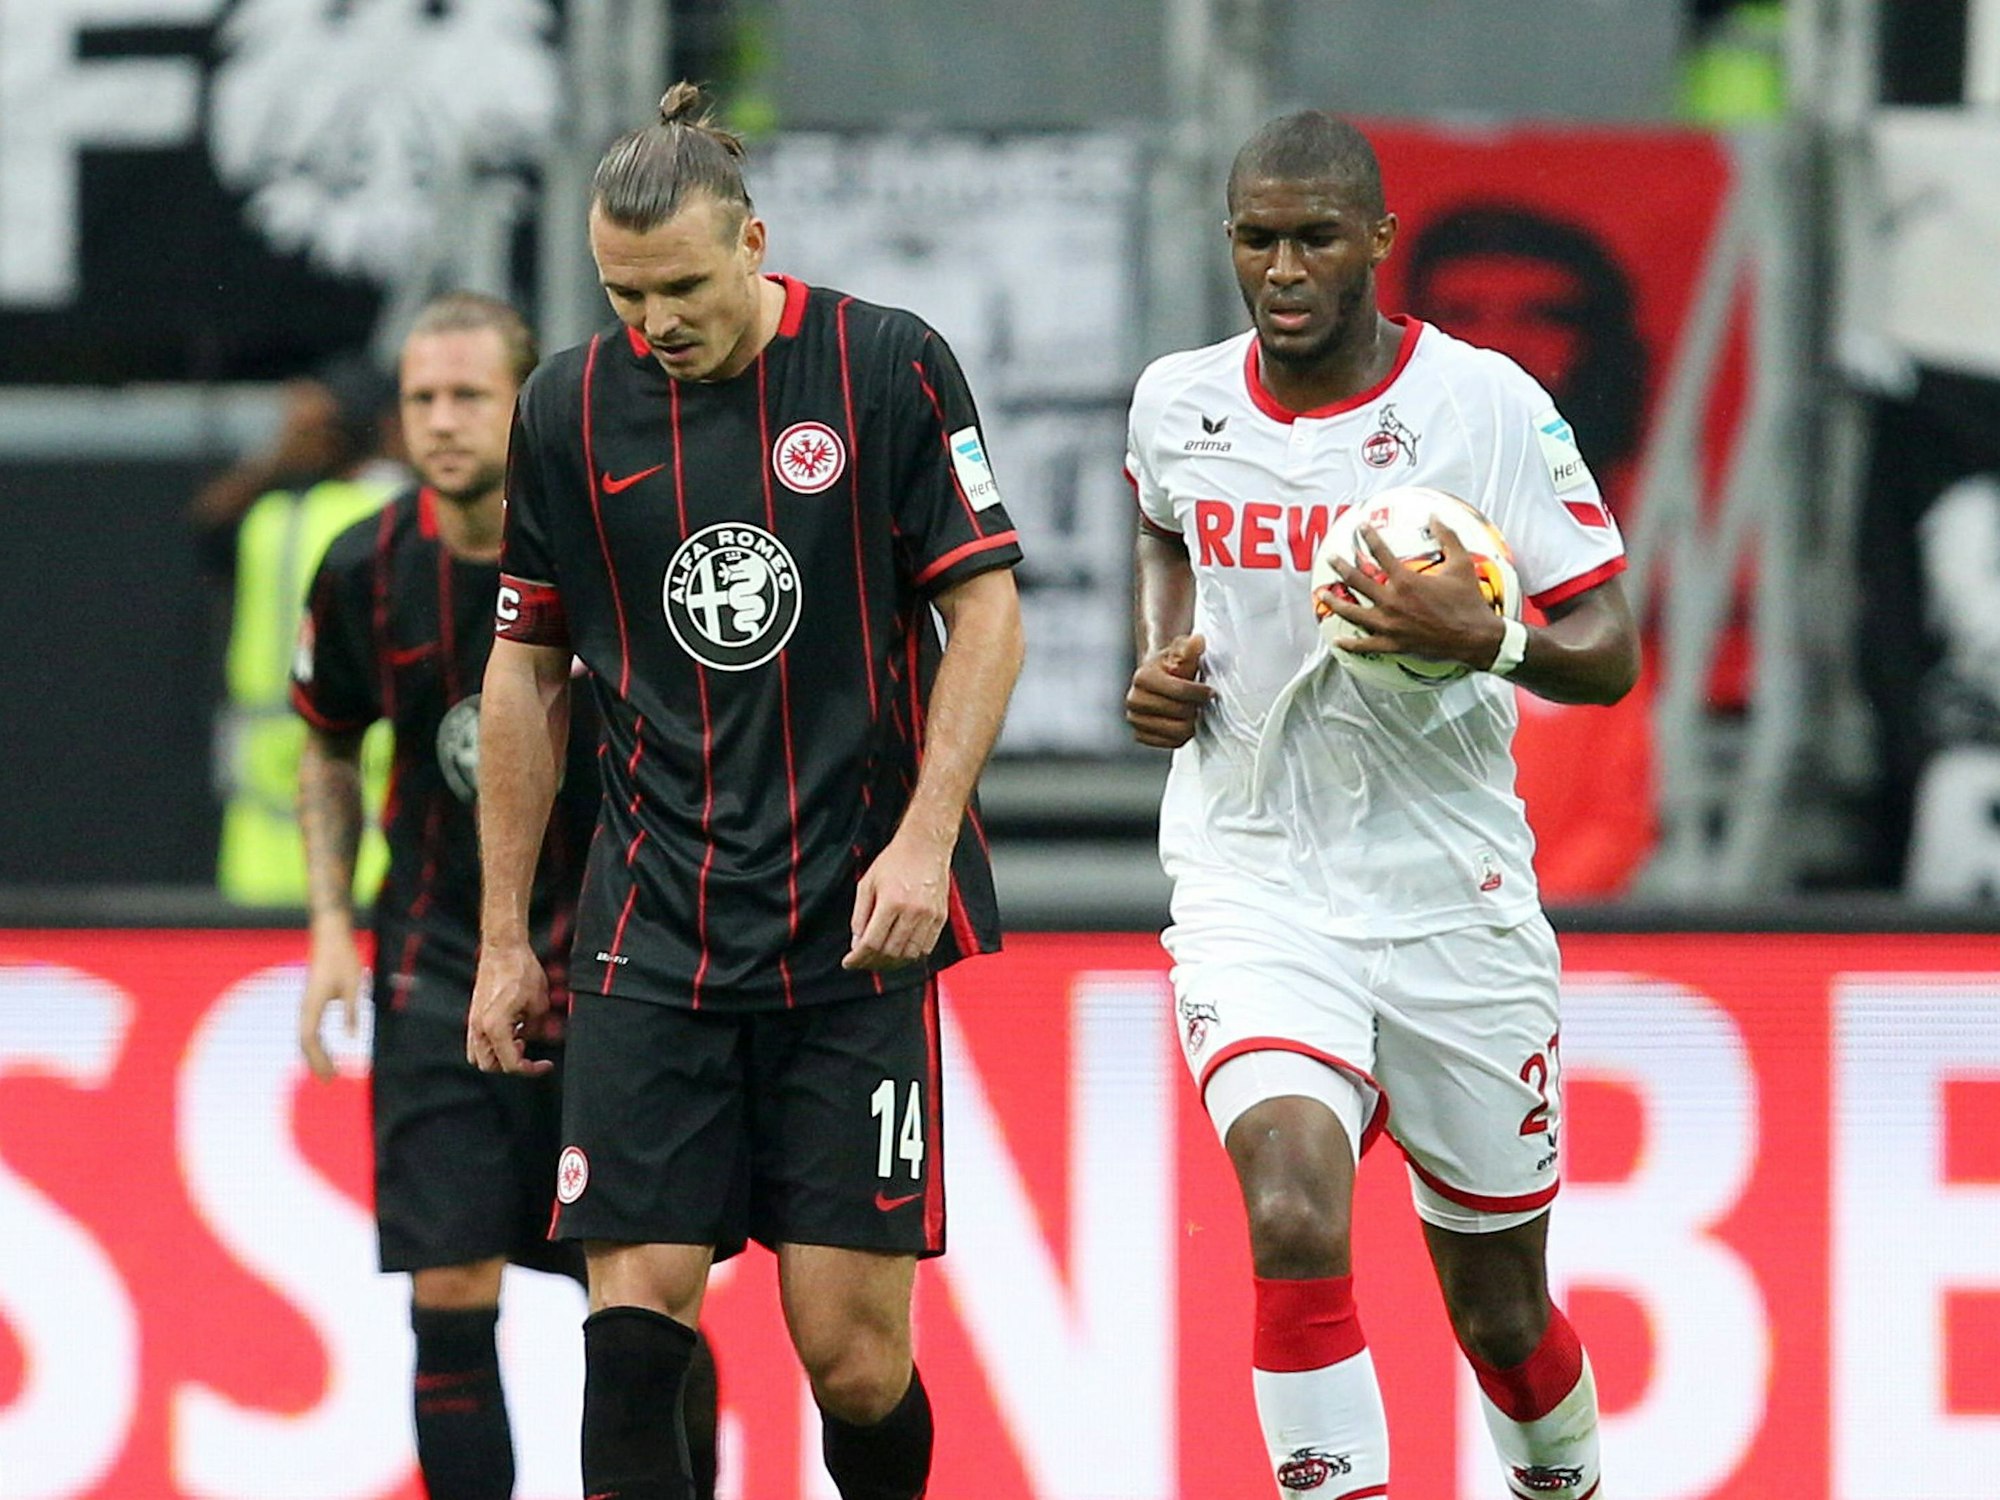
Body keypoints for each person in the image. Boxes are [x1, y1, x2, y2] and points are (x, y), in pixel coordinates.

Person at [466, 83, 1024, 1500]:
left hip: (854, 934)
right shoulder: (569, 409)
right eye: (622, 290)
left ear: (754, 242)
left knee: (853, 1363)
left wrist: (925, 839)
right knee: (634, 1323)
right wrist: (502, 937)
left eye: (682, 285)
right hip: (652, 929)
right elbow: (525, 670)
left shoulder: (884, 367)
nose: (654, 319)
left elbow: (989, 611)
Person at [1123, 111, 1640, 1498]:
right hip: (1256, 879)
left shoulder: (1485, 406)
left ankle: (1567, 1481)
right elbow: (1162, 520)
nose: (1282, 268)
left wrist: (1492, 642)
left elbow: (1610, 647)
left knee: (1504, 1322)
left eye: (1314, 238)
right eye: (1256, 238)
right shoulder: (1178, 400)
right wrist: (1160, 659)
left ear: (1378, 242)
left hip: (1448, 900)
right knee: (1291, 1210)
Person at [292, 292, 718, 1499]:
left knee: (645, 1302)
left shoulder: (614, 546)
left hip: (623, 968)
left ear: (526, 402)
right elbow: (327, 741)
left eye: (469, 394)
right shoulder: (364, 568)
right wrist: (330, 928)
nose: (440, 421)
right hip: (436, 967)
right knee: (449, 1294)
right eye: (421, 397)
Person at [1403, 203, 1658, 900]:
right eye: (1465, 315)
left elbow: (1620, 817)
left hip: (1536, 939)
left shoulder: (1606, 593)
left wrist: (1518, 919)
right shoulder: (1358, 554)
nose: (1502, 345)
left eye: (1542, 316)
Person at [199, 351, 406, 905]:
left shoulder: (271, 520)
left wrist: (276, 454)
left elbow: (209, 522)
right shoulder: (409, 512)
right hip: (373, 812)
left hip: (268, 819)